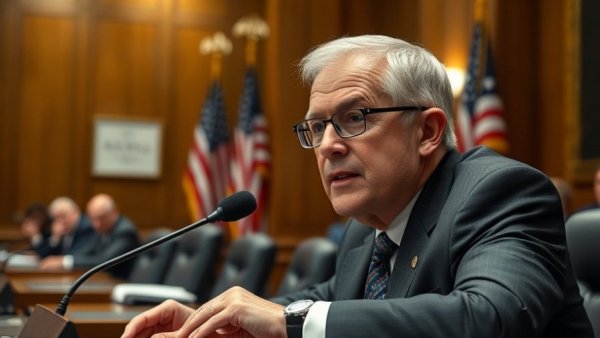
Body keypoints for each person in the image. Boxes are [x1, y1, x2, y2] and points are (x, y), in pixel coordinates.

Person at [121, 35, 593, 337]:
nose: (327, 146)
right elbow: (325, 301)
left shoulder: (501, 192)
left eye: (353, 118)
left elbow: (488, 317)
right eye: (317, 128)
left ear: (427, 132)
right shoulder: (369, 225)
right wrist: (214, 320)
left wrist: (286, 322)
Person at [40, 193, 140, 279]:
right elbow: (85, 252)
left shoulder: (125, 232)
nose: (96, 224)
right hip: (103, 281)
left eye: (101, 218)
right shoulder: (103, 229)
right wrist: (61, 260)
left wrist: (64, 262)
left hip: (120, 285)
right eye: (93, 219)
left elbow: (104, 262)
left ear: (114, 212)